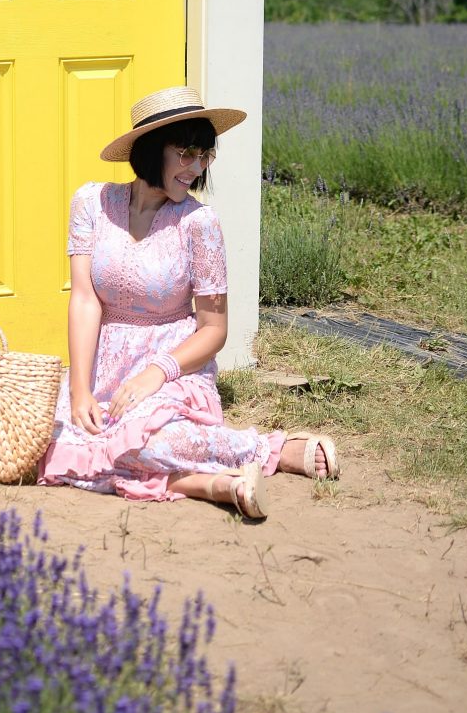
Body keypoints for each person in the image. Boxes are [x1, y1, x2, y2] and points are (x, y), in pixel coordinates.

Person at [38, 86, 339, 519]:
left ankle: (273, 450)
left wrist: (156, 374)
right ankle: (205, 485)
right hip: (103, 367)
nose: (196, 168)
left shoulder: (199, 223)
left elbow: (214, 329)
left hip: (174, 369)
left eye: (206, 157)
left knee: (153, 440)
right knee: (48, 439)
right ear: (150, 150)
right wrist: (81, 388)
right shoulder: (92, 202)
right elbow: (85, 300)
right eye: (186, 154)